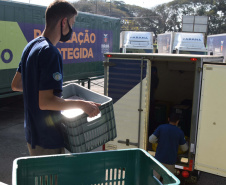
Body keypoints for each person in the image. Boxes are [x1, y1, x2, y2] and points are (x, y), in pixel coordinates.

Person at [11, 0, 101, 156]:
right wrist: (82, 105)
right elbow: (46, 102)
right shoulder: (50, 52)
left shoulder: (31, 46)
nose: (72, 29)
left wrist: (39, 89)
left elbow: (16, 84)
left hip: (32, 136)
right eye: (72, 23)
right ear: (64, 22)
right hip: (47, 140)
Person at [149, 112, 188, 179]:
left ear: (168, 119)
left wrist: (159, 141)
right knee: (168, 181)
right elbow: (185, 148)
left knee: (155, 180)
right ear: (177, 121)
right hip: (171, 161)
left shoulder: (161, 127)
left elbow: (151, 140)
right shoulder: (180, 132)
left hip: (159, 159)